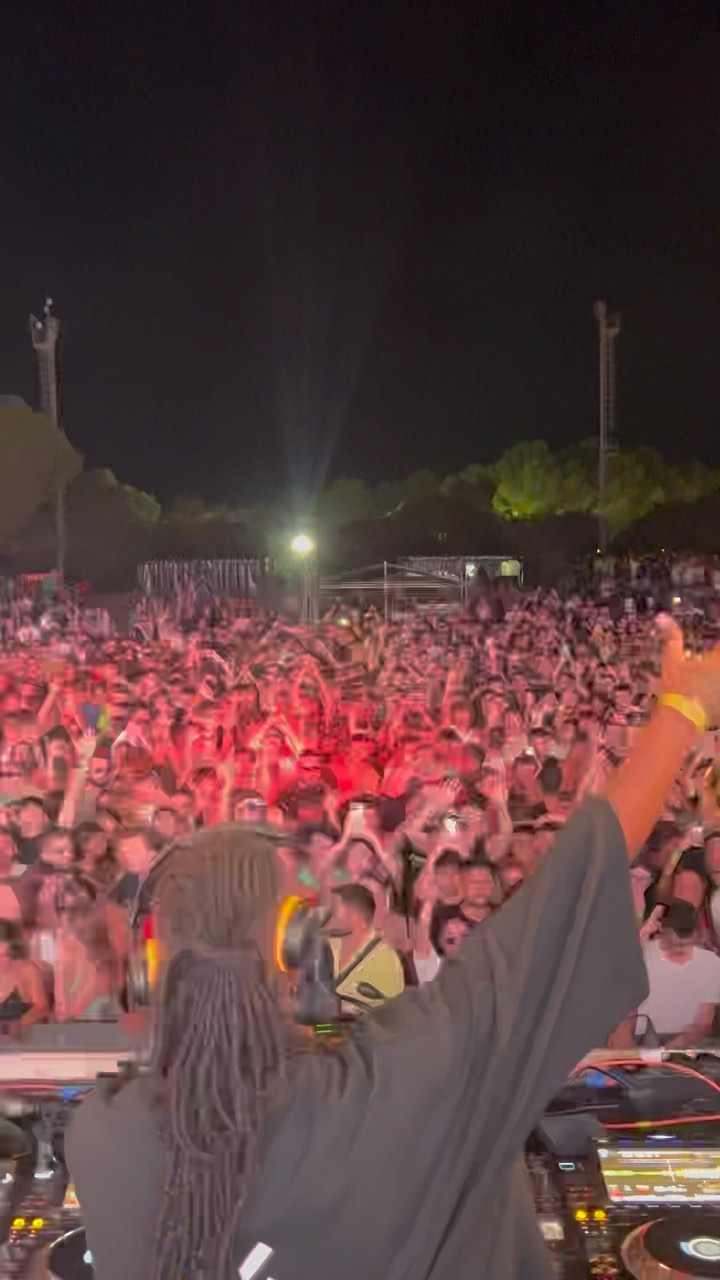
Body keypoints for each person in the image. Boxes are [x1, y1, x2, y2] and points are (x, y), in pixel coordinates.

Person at [63, 618, 720, 1280]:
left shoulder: (103, 1136)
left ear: (153, 968)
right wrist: (681, 710)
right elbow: (563, 899)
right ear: (298, 947)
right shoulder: (409, 1074)